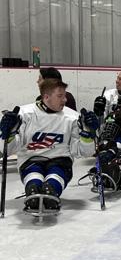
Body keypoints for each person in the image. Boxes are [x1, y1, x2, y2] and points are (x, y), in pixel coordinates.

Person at [0, 79, 98, 211]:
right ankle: (32, 189)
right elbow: (9, 150)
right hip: (30, 160)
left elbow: (82, 152)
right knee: (34, 183)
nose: (65, 100)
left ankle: (51, 190)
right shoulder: (24, 114)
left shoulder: (73, 117)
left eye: (64, 96)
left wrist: (88, 133)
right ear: (46, 97)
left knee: (52, 183)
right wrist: (9, 133)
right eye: (60, 96)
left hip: (60, 160)